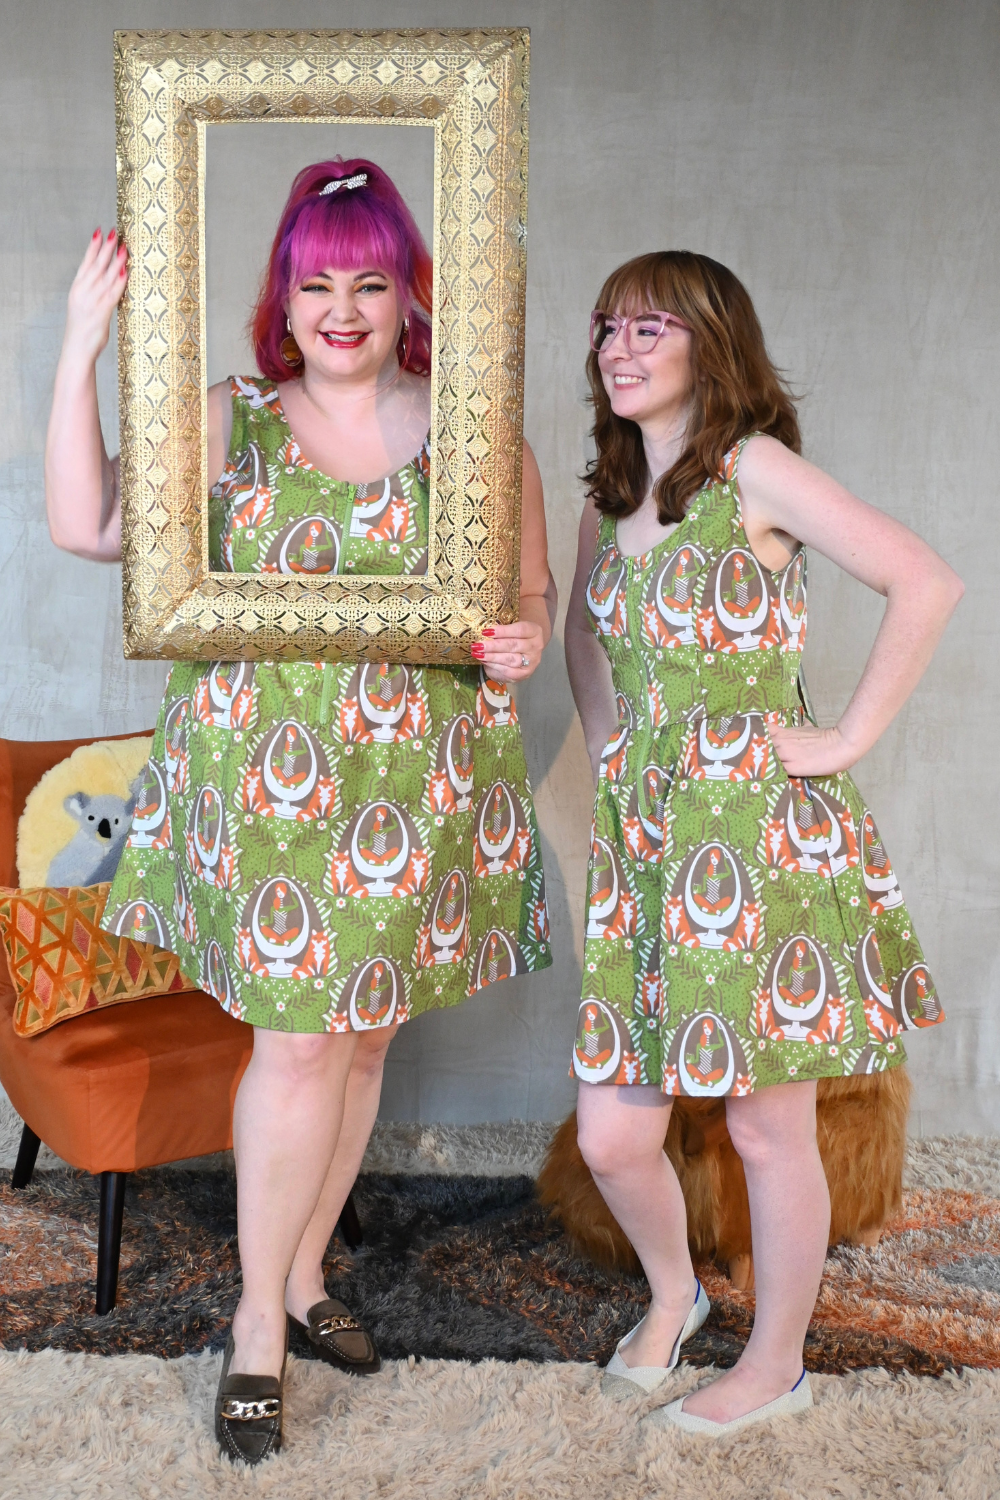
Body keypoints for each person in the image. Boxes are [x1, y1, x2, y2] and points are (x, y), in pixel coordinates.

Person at [45, 158, 556, 1465]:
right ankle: (257, 1329)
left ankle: (306, 1274)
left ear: (405, 294)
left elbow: (534, 606)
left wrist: (517, 644)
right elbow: (85, 523)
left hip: (417, 787)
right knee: (300, 1049)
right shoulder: (232, 420)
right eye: (318, 281)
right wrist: (82, 344)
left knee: (365, 1047)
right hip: (266, 795)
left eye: (371, 281)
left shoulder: (480, 435)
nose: (343, 308)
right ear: (286, 291)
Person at [564, 251, 960, 1437]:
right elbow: (591, 650)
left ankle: (776, 1364)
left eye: (648, 330)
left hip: (759, 842)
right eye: (606, 331)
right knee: (612, 1131)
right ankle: (677, 1294)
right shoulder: (610, 493)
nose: (617, 351)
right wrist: (618, 758)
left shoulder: (756, 471)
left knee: (761, 1122)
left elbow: (923, 582)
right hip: (650, 840)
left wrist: (839, 739)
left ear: (709, 343)